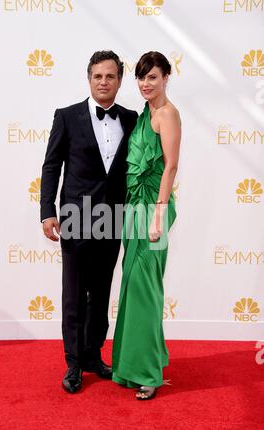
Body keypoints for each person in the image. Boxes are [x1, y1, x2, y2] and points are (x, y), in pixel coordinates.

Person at [40, 51, 138, 393]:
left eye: (110, 76)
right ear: (89, 78)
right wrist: (47, 210)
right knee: (74, 296)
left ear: (119, 80)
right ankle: (73, 364)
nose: (104, 82)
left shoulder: (131, 118)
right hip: (76, 216)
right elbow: (51, 165)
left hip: (113, 216)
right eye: (98, 76)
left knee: (100, 292)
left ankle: (93, 354)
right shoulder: (67, 116)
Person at [112, 51, 181, 400]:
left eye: (152, 77)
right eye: (141, 77)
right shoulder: (145, 113)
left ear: (167, 76)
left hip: (153, 209)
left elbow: (169, 167)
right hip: (135, 210)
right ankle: (133, 365)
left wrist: (158, 214)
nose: (145, 84)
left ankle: (148, 373)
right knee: (134, 287)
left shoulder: (167, 114)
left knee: (146, 290)